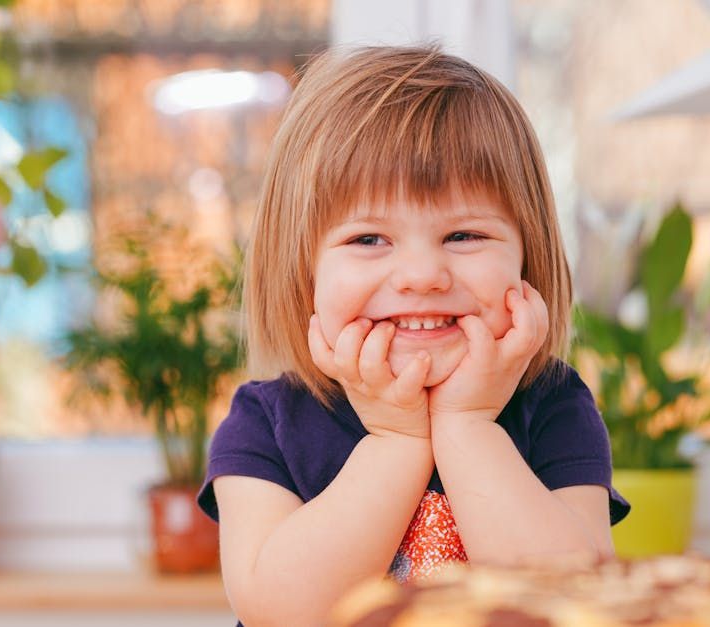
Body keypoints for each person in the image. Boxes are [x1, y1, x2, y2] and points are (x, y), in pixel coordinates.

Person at [196, 45, 630, 627]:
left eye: (465, 235)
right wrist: (396, 441)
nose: (423, 277)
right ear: (304, 273)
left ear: (528, 261)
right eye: (369, 240)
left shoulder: (554, 406)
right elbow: (282, 610)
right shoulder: (266, 423)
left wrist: (468, 424)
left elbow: (572, 601)